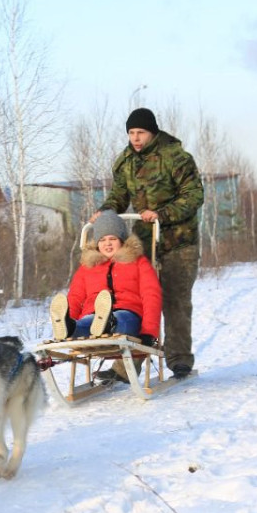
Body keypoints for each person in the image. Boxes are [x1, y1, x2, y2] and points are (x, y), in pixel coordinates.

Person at [92, 107, 203, 380]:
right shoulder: (126, 162)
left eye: (140, 132)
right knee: (138, 301)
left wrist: (162, 214)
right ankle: (126, 366)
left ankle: (179, 360)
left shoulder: (176, 157)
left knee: (175, 302)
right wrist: (106, 211)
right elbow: (119, 194)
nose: (135, 138)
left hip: (179, 242)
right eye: (131, 133)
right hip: (145, 242)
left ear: (152, 132)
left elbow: (193, 195)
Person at [49, 209, 162, 345]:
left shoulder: (138, 262)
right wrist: (71, 317)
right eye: (102, 240)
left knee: (120, 319)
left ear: (122, 240)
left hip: (129, 314)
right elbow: (75, 298)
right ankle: (70, 327)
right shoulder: (88, 267)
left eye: (112, 239)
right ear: (97, 243)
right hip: (94, 314)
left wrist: (149, 332)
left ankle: (109, 324)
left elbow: (151, 296)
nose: (107, 243)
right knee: (86, 322)